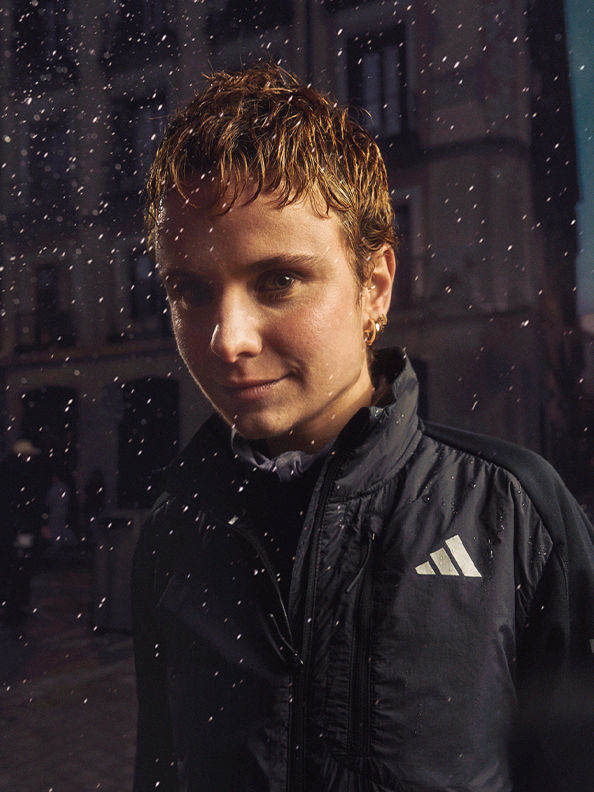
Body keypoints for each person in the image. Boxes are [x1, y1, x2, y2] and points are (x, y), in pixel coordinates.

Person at [132, 63, 594, 792]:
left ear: (374, 286)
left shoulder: (516, 516)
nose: (228, 339)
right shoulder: (171, 536)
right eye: (189, 289)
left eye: (277, 280)